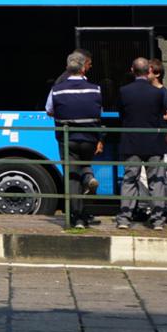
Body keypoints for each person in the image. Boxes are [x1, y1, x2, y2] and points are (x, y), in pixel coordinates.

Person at [46, 50, 103, 229]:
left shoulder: (56, 90)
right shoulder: (96, 89)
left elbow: (49, 110)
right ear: (83, 68)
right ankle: (88, 178)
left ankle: (77, 218)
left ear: (67, 68)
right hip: (89, 138)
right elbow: (98, 112)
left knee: (71, 177)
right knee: (84, 165)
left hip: (67, 138)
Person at [117, 57, 167, 230]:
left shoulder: (124, 91)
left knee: (129, 180)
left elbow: (122, 115)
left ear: (132, 70)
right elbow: (164, 115)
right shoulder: (158, 93)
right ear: (148, 71)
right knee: (157, 181)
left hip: (131, 142)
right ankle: (157, 221)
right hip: (154, 142)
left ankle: (125, 218)